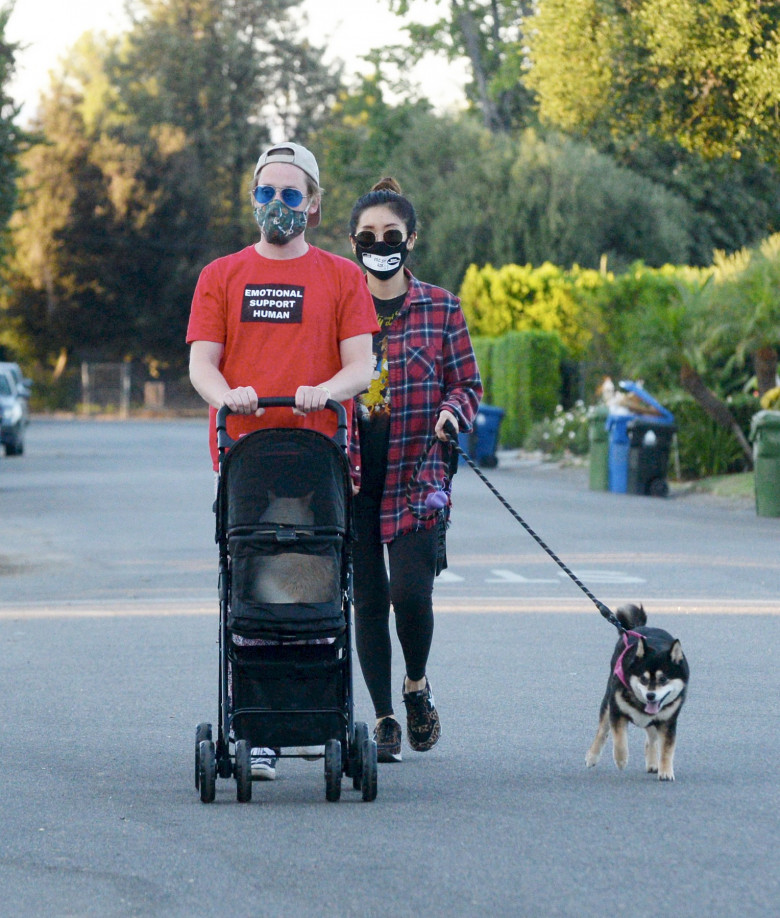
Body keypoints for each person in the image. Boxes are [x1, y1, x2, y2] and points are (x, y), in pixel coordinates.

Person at [186, 142, 378, 778]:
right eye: (266, 193)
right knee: (256, 591)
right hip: (249, 457)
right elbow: (201, 364)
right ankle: (258, 727)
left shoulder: (342, 278)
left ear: (314, 203)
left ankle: (318, 715)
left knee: (316, 588)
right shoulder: (222, 275)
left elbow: (362, 364)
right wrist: (228, 397)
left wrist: (327, 389)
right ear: (252, 200)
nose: (277, 205)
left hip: (318, 454)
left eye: (291, 195)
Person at [348, 178, 482, 762]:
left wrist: (452, 414)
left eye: (391, 235)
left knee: (410, 592)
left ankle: (416, 685)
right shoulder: (340, 305)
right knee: (368, 602)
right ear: (354, 243)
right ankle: (382, 718)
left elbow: (467, 383)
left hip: (417, 471)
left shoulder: (442, 307)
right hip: (352, 475)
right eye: (368, 236)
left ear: (411, 238)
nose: (380, 244)